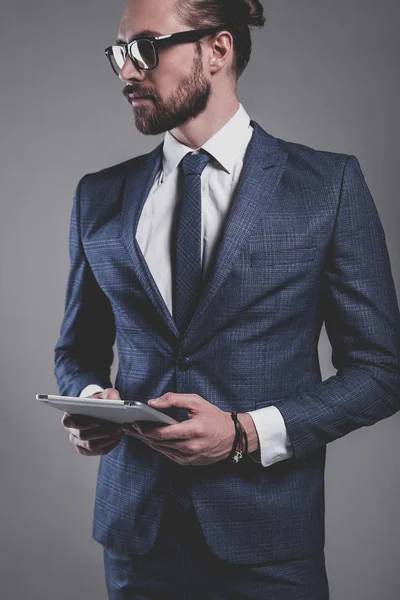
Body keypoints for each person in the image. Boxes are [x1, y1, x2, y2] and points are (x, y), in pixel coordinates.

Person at [54, 0, 400, 598]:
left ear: (218, 50)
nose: (126, 71)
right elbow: (78, 349)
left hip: (267, 541)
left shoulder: (327, 187)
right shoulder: (99, 196)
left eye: (145, 49)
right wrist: (90, 403)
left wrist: (244, 432)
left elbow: (382, 371)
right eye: (119, 52)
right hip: (136, 538)